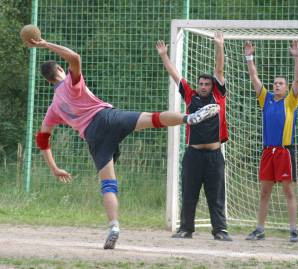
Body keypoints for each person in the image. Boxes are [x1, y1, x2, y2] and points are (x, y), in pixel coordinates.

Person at [26, 38, 220, 250]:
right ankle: (188, 118)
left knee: (108, 184)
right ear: (61, 70)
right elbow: (75, 57)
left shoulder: (54, 108)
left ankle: (114, 227)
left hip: (93, 137)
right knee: (152, 118)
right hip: (107, 118)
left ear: (47, 81)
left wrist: (54, 168)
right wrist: (45, 44)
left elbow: (43, 139)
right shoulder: (71, 84)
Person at [156, 32, 232, 241]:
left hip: (214, 155)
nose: (204, 86)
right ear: (197, 85)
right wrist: (164, 55)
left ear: (213, 86)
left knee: (216, 195)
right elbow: (176, 75)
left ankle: (220, 230)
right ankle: (185, 229)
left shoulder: (219, 96)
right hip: (193, 154)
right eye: (202, 84)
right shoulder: (190, 96)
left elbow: (219, 69)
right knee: (189, 193)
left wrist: (219, 46)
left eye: (207, 84)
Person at [243, 40, 298, 242]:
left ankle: (293, 230)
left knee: (288, 190)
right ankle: (260, 229)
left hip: (285, 151)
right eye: (275, 83)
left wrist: (296, 57)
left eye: (281, 83)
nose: (277, 85)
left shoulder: (290, 101)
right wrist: (249, 56)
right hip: (268, 151)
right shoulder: (265, 98)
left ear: (286, 88)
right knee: (265, 191)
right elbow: (254, 76)